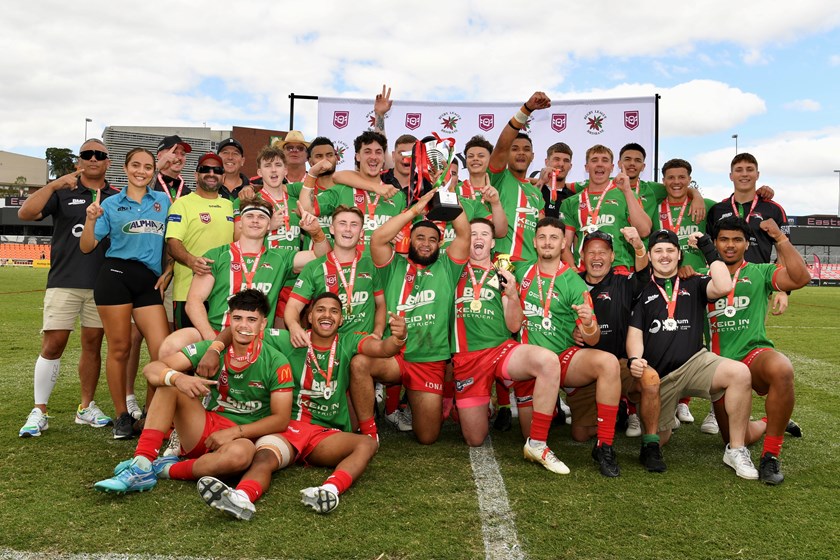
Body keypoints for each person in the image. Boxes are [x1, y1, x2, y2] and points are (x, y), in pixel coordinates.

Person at [195, 293, 407, 518]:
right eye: (320, 309)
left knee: (367, 444)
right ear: (310, 316)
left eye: (334, 311)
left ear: (341, 320)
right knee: (264, 458)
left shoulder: (349, 341)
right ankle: (242, 497)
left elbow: (383, 349)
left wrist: (398, 338)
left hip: (323, 433)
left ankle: (329, 491)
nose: (327, 315)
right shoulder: (290, 339)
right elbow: (241, 329)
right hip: (288, 427)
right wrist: (214, 349)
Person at [93, 289, 293, 494]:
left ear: (263, 324)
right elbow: (151, 369)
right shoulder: (211, 349)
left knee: (239, 457)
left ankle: (165, 469)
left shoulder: (276, 361)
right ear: (229, 320)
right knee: (169, 382)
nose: (243, 325)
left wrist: (234, 432)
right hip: (204, 427)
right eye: (237, 318)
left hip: (243, 437)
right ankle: (142, 463)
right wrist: (179, 378)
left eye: (251, 320)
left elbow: (281, 419)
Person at [626, 229, 758, 479]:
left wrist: (707, 246)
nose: (664, 255)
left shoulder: (694, 282)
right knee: (659, 438)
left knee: (740, 373)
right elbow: (635, 332)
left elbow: (724, 285)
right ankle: (670, 418)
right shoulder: (642, 288)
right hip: (661, 377)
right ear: (650, 256)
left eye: (670, 250)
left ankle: (736, 449)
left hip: (695, 362)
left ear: (679, 255)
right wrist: (635, 359)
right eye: (658, 251)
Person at [451, 218, 579, 473]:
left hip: (500, 351)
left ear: (492, 242)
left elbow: (514, 325)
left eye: (484, 234)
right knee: (475, 438)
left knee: (547, 360)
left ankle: (538, 443)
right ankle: (480, 403)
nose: (478, 238)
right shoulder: (454, 269)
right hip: (467, 359)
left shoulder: (504, 273)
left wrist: (511, 295)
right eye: (473, 234)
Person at [350, 189, 469, 445]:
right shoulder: (393, 265)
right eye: (420, 238)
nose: (426, 243)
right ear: (409, 240)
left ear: (440, 244)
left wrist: (449, 198)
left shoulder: (447, 266)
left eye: (432, 240)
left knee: (427, 437)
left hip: (429, 360)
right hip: (395, 355)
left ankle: (407, 404)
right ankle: (369, 431)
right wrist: (415, 210)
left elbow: (464, 234)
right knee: (359, 364)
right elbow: (378, 239)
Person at [17, 139, 119, 437]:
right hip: (64, 281)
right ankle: (39, 410)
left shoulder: (116, 196)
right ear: (79, 161)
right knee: (53, 344)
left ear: (108, 162)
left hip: (102, 283)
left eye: (99, 155)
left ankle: (85, 407)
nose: (93, 159)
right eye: (87, 154)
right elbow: (25, 213)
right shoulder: (63, 192)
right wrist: (52, 185)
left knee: (93, 345)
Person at [512, 217, 622, 476]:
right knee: (528, 432)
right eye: (542, 237)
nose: (547, 242)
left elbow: (592, 339)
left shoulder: (574, 283)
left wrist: (588, 324)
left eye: (554, 238)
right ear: (534, 242)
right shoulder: (520, 271)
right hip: (528, 362)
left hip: (561, 358)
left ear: (564, 243)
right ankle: (544, 411)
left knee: (608, 363)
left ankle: (604, 445)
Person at [708, 217, 811, 484]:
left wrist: (780, 238)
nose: (730, 245)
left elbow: (801, 278)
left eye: (737, 239)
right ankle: (771, 421)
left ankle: (770, 456)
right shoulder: (701, 274)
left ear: (747, 244)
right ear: (715, 243)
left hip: (753, 355)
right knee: (736, 438)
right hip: (719, 365)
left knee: (782, 368)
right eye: (724, 239)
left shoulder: (761, 271)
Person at [80, 148, 172, 439]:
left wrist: (169, 268)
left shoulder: (163, 201)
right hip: (115, 275)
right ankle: (122, 415)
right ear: (125, 168)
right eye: (135, 165)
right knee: (120, 348)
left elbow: (173, 239)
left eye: (147, 167)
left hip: (148, 280)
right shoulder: (109, 203)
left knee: (163, 351)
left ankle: (151, 413)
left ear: (154, 171)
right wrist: (91, 219)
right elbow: (86, 246)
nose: (141, 171)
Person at [703, 152, 791, 434]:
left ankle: (769, 413)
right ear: (731, 175)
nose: (744, 174)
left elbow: (782, 249)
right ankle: (717, 406)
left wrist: (783, 290)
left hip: (756, 281)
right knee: (718, 336)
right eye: (738, 169)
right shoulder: (718, 208)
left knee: (749, 338)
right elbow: (708, 246)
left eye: (749, 169)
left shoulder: (772, 207)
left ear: (757, 174)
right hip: (721, 281)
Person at [576, 228, 650, 441]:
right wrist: (571, 331)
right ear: (582, 256)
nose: (596, 257)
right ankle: (614, 410)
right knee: (580, 434)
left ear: (612, 256)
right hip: (586, 369)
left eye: (602, 252)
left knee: (649, 382)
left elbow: (643, 275)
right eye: (591, 252)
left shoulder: (622, 283)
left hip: (620, 364)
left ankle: (634, 410)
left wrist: (638, 246)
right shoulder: (572, 282)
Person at [286, 205, 386, 342]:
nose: (348, 229)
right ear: (332, 229)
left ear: (362, 232)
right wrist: (294, 327)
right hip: (327, 345)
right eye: (342, 223)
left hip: (363, 344)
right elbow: (293, 306)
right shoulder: (314, 267)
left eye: (354, 225)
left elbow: (381, 304)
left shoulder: (370, 263)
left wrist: (377, 333)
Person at [166, 152, 234, 330]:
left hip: (224, 294)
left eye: (217, 170)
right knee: (188, 345)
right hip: (188, 292)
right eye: (205, 169)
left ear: (223, 177)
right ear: (196, 175)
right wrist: (191, 261)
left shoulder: (231, 206)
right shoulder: (182, 204)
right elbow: (172, 243)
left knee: (221, 345)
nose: (211, 174)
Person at [559, 145, 652, 271]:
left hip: (618, 270)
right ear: (586, 167)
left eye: (605, 160)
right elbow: (564, 244)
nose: (600, 164)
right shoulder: (571, 202)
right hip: (584, 272)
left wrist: (627, 191)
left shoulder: (626, 194)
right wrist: (573, 270)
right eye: (594, 160)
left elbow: (644, 231)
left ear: (612, 167)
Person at [487, 92, 548, 262]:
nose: (521, 153)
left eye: (526, 149)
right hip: (502, 263)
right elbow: (502, 145)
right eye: (514, 149)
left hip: (530, 267)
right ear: (506, 154)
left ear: (532, 156)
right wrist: (527, 109)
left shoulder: (536, 193)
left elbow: (542, 232)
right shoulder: (498, 177)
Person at [154, 135, 192, 201]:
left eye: (183, 154)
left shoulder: (188, 194)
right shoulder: (147, 183)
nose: (179, 157)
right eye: (174, 152)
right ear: (159, 156)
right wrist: (158, 166)